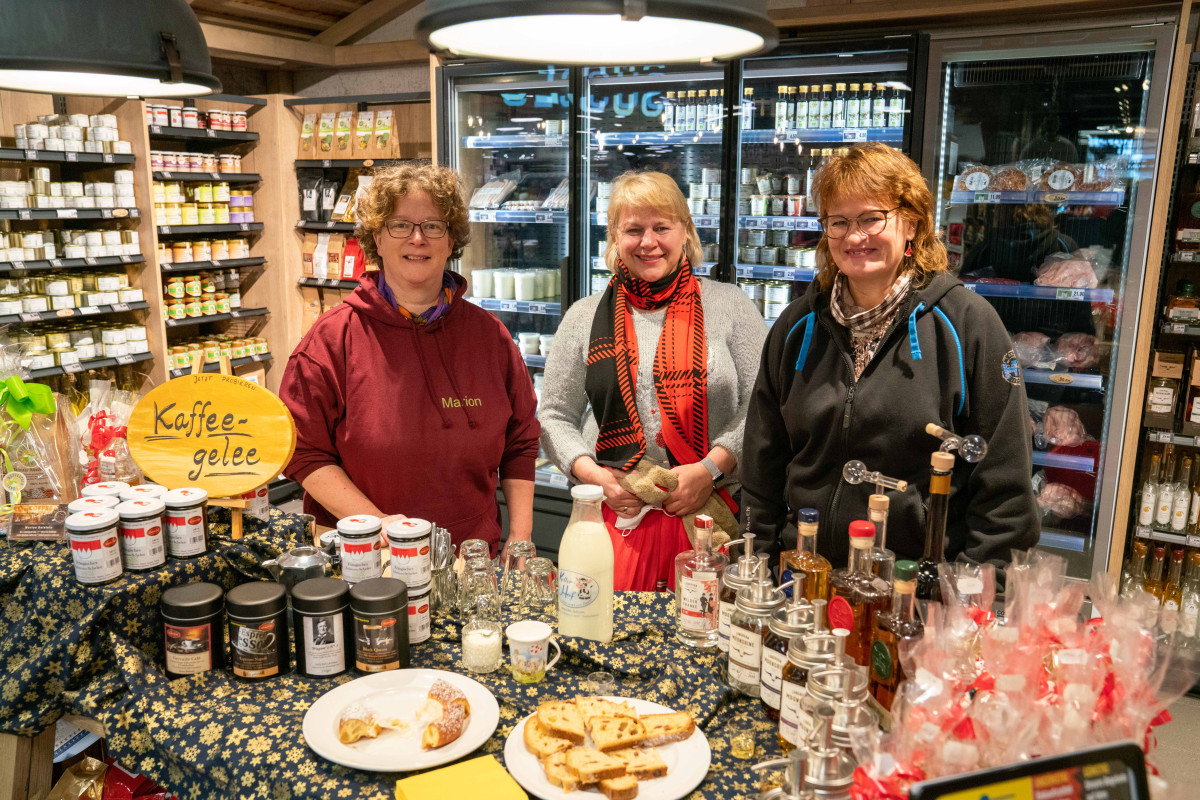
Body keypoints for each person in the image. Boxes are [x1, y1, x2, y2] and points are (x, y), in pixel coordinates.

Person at [741, 143, 1038, 569]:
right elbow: (761, 465)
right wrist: (760, 564)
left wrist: (968, 600)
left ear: (912, 224)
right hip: (803, 577)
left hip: (914, 591)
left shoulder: (967, 324)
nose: (855, 236)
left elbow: (1005, 492)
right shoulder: (797, 326)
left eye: (872, 218)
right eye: (838, 222)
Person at [279, 164, 540, 556]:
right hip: (365, 558)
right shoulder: (333, 339)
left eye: (433, 226)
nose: (418, 239)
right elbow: (301, 449)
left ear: (451, 242)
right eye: (400, 225)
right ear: (377, 240)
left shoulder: (491, 337)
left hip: (469, 560)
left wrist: (519, 540)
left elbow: (520, 443)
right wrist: (377, 523)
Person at [539, 171, 767, 591]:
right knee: (608, 642)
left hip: (711, 516)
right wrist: (596, 478)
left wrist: (708, 471)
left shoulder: (731, 306)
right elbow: (553, 415)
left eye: (662, 227)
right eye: (633, 229)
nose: (648, 242)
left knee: (702, 644)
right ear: (614, 236)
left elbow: (762, 405)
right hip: (614, 518)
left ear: (685, 231)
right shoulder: (584, 316)